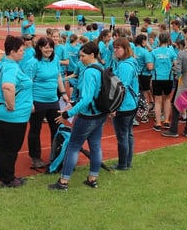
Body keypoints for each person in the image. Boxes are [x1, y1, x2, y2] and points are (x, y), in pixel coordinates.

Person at [48, 42, 106, 191]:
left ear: (92, 55)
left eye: (82, 56)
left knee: (73, 147)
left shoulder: (89, 72)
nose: (80, 59)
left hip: (87, 116)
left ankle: (63, 182)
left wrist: (68, 113)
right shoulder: (101, 68)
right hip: (100, 114)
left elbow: (86, 99)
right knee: (96, 146)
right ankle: (93, 179)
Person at [0, 35, 33, 188]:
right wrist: (11, 105)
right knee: (11, 148)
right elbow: (7, 86)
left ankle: (3, 175)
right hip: (12, 117)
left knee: (2, 145)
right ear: (12, 52)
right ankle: (8, 178)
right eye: (21, 50)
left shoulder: (2, 63)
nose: (23, 53)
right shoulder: (11, 67)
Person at [26, 37, 69, 168]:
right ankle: (35, 157)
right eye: (46, 47)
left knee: (57, 127)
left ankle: (56, 155)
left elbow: (58, 77)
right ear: (40, 48)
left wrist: (63, 93)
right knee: (35, 129)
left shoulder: (55, 59)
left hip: (53, 100)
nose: (49, 49)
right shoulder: (33, 63)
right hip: (37, 100)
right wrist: (30, 102)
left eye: (50, 47)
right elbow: (28, 83)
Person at [110, 37, 139, 170]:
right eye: (114, 48)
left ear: (125, 49)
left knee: (123, 136)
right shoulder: (129, 62)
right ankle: (127, 162)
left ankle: (123, 164)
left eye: (118, 48)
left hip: (124, 106)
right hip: (130, 104)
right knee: (128, 134)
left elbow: (122, 88)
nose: (115, 50)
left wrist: (115, 107)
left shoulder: (125, 66)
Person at [150, 32, 177, 131]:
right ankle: (166, 121)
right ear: (168, 40)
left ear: (159, 40)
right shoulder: (171, 52)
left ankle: (158, 123)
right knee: (167, 100)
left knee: (157, 101)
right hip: (168, 78)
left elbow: (151, 66)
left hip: (157, 78)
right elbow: (176, 64)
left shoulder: (154, 52)